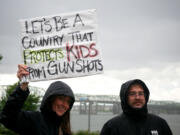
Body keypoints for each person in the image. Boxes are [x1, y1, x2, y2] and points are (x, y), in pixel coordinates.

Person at [0, 64, 75, 135]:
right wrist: (23, 86)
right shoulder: (34, 120)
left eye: (68, 102)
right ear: (51, 99)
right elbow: (8, 117)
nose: (65, 105)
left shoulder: (64, 129)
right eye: (61, 99)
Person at [100, 79, 173, 135]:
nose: (137, 97)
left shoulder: (160, 124)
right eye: (132, 93)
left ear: (145, 96)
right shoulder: (112, 126)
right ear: (125, 98)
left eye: (141, 93)